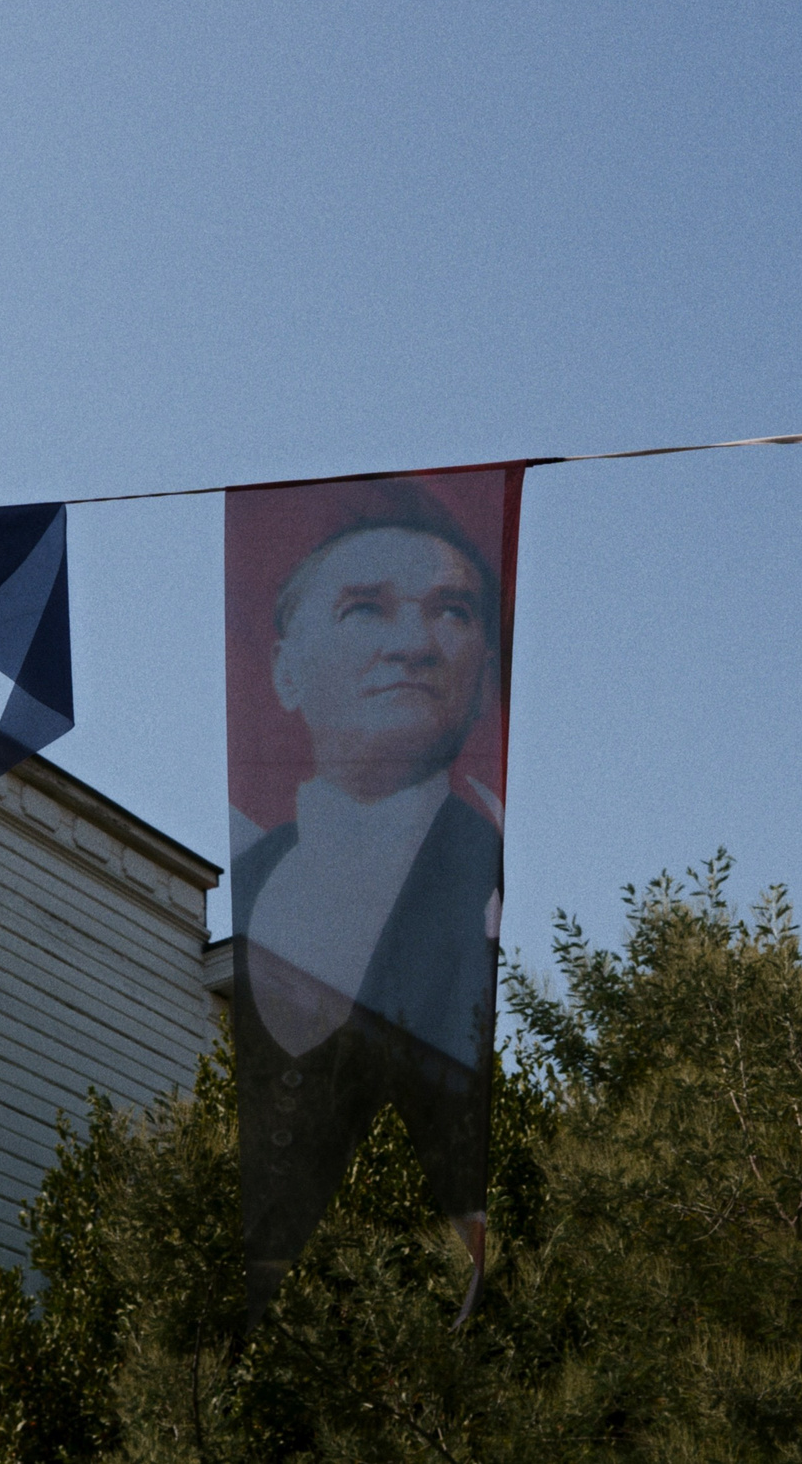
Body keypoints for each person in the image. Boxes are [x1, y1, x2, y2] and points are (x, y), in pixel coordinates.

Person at [231, 510, 505, 1323]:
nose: (413, 644)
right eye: (365, 609)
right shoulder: (240, 882)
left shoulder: (491, 883)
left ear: (484, 673)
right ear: (284, 673)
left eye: (451, 612)